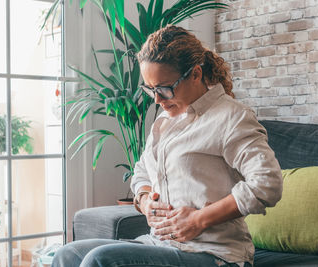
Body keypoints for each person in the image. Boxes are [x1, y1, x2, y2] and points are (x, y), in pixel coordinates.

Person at [52, 25, 282, 267]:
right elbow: (142, 171)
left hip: (214, 254)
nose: (157, 100)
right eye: (150, 89)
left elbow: (268, 183)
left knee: (100, 260)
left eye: (164, 88)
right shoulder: (166, 119)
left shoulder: (231, 117)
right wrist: (144, 202)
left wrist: (199, 220)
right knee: (68, 254)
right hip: (159, 244)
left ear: (195, 74)